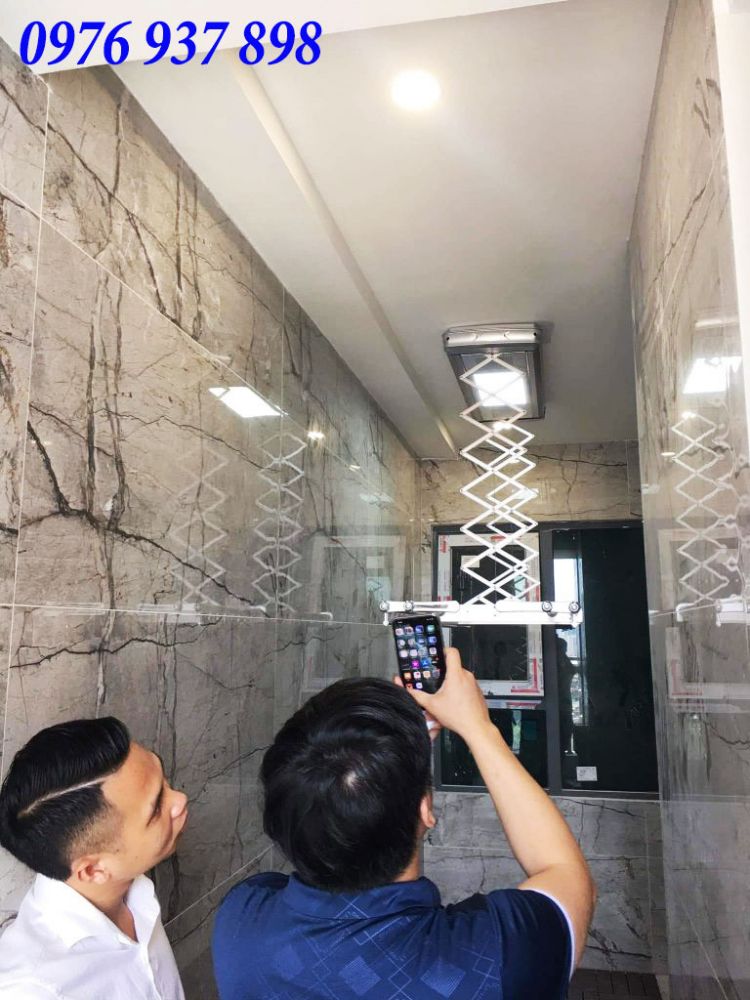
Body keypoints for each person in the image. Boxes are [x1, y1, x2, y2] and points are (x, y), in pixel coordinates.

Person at [213, 648, 596, 999]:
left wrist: (393, 763)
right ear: (425, 809)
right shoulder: (501, 960)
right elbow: (564, 873)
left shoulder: (241, 921)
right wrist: (478, 729)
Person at [0, 717, 189, 999]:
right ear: (93, 871)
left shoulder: (130, 884)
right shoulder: (36, 990)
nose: (179, 799)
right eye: (156, 809)